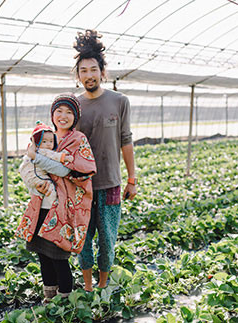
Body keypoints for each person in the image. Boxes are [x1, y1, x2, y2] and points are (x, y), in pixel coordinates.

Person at [15, 94, 96, 303]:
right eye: (59, 111)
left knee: (58, 256)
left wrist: (36, 156)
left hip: (64, 208)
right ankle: (50, 297)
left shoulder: (78, 140)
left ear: (75, 117)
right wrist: (34, 181)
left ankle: (65, 299)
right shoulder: (45, 137)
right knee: (43, 254)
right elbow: (28, 167)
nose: (63, 116)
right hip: (42, 205)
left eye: (69, 112)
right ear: (52, 115)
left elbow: (63, 170)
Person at [73, 30, 137, 292]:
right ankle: (88, 288)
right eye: (83, 71)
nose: (88, 75)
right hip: (80, 186)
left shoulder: (119, 101)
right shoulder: (73, 106)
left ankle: (102, 285)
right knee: (83, 240)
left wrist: (132, 179)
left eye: (93, 69)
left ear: (102, 72)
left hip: (110, 184)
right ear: (78, 76)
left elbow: (126, 140)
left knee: (108, 239)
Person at [19, 121, 74, 210]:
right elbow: (54, 156)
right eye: (44, 141)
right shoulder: (42, 151)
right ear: (37, 142)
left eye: (51, 141)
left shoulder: (33, 151)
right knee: (49, 188)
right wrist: (65, 157)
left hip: (27, 174)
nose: (48, 144)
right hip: (35, 175)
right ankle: (55, 204)